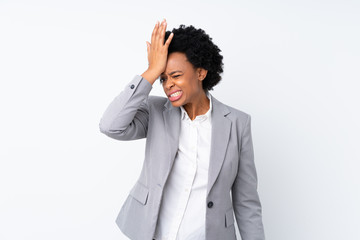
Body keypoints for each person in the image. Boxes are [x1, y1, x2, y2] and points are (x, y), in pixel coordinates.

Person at [99, 18, 265, 240]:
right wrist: (151, 71)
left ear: (201, 73)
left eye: (176, 76)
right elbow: (111, 126)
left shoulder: (237, 123)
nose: (168, 84)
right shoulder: (156, 112)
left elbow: (246, 201)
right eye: (163, 78)